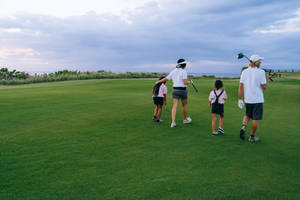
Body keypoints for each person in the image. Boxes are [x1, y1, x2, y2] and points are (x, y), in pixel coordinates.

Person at [238, 54, 268, 142]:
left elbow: (240, 86)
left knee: (247, 115)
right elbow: (264, 87)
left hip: (248, 99)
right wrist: (266, 78)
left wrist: (239, 99)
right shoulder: (261, 72)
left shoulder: (244, 72)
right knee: (255, 118)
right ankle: (252, 137)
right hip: (257, 100)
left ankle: (243, 127)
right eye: (259, 61)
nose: (261, 62)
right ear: (256, 62)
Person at [156, 58, 192, 128]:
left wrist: (158, 81)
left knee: (174, 106)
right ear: (184, 64)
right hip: (182, 90)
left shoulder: (173, 71)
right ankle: (185, 119)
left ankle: (173, 122)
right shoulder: (184, 71)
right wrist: (190, 82)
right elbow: (185, 82)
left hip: (175, 90)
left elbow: (166, 79)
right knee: (184, 105)